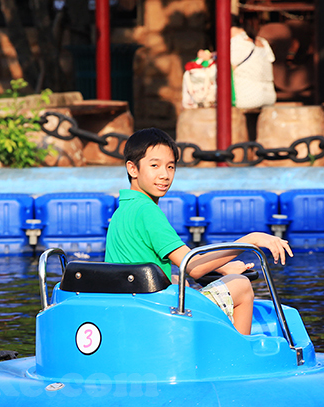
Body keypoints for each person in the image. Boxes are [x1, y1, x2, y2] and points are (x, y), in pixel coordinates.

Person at [105, 128, 292, 335]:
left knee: (179, 280)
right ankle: (239, 352)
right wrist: (251, 240)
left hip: (133, 310)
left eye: (170, 167)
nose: (164, 175)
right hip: (157, 315)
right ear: (133, 169)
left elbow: (168, 266)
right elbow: (193, 266)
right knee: (241, 285)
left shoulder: (123, 210)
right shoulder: (148, 211)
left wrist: (221, 268)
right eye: (154, 165)